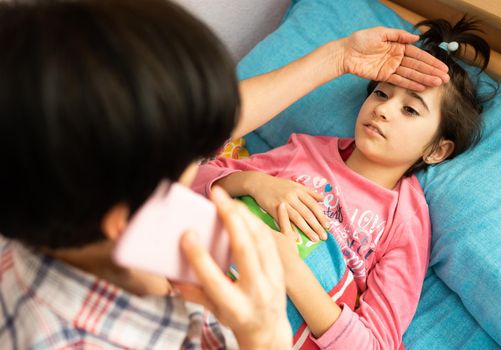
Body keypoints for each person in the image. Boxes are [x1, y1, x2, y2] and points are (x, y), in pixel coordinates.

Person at [0, 0, 449, 349]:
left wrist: (338, 56)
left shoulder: (55, 211)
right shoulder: (127, 329)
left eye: (410, 108)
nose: (386, 111)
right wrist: (263, 336)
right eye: (182, 166)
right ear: (134, 214)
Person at [192, 17, 490, 349]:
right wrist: (251, 183)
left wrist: (292, 271)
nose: (384, 110)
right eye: (381, 93)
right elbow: (191, 180)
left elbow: (376, 343)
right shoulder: (307, 152)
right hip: (204, 286)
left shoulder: (405, 221)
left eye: (409, 110)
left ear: (437, 150)